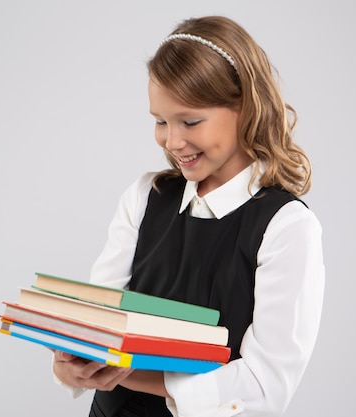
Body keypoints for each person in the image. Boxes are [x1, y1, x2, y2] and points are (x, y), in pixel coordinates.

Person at [52, 15, 325, 417]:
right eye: (160, 121)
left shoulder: (285, 227)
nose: (172, 141)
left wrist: (120, 369)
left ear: (245, 108)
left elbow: (264, 387)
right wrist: (71, 363)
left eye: (190, 121)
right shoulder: (146, 197)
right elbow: (100, 321)